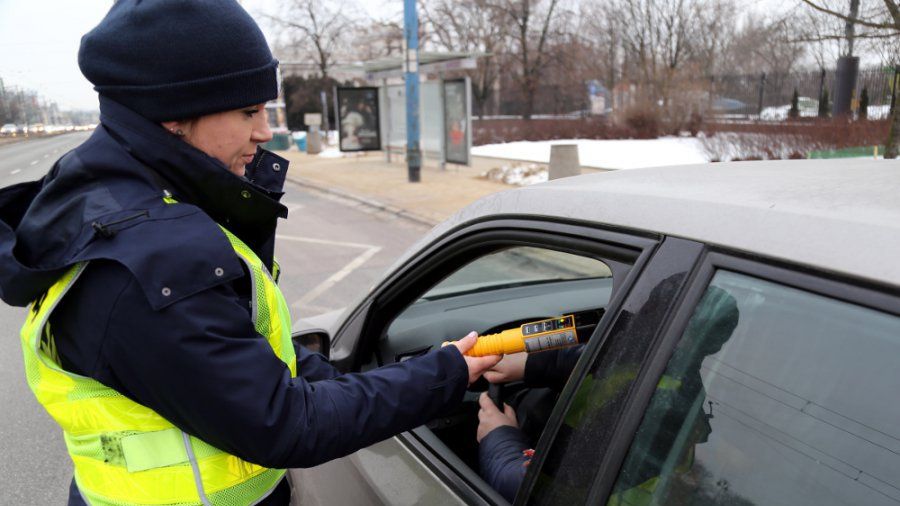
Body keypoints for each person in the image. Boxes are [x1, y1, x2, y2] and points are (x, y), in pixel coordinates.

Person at [0, 1, 499, 505]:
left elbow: (243, 347)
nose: (264, 132)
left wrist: (390, 377)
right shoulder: (151, 254)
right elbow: (285, 423)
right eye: (248, 111)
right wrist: (444, 372)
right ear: (174, 115)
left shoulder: (106, 191)